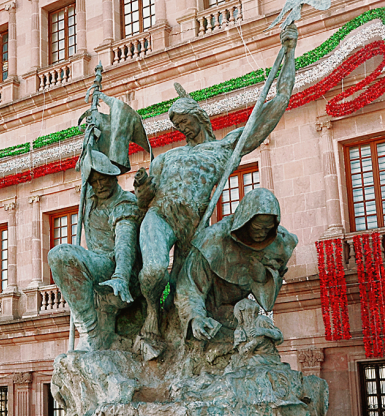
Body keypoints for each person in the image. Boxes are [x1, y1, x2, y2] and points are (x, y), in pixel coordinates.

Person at [133, 25, 299, 359]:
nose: (182, 128)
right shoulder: (167, 158)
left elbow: (277, 105)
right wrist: (143, 189)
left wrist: (289, 51)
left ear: (200, 118)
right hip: (160, 216)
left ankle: (183, 330)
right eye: (177, 124)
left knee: (185, 282)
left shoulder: (223, 150)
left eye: (186, 121)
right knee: (152, 271)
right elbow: (145, 201)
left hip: (193, 228)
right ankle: (150, 315)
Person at [174, 188, 298, 345]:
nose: (262, 234)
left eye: (268, 229)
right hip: (207, 308)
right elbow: (190, 286)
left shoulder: (281, 244)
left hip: (238, 312)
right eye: (257, 228)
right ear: (245, 221)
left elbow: (269, 298)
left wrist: (262, 278)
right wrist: (196, 317)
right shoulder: (212, 241)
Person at [48, 150, 141, 351]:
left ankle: (91, 332)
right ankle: (90, 329)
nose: (99, 185)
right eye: (94, 181)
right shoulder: (89, 195)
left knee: (62, 253)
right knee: (56, 256)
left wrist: (121, 277)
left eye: (103, 179)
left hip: (115, 268)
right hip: (98, 265)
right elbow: (89, 154)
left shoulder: (124, 202)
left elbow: (124, 244)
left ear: (113, 176)